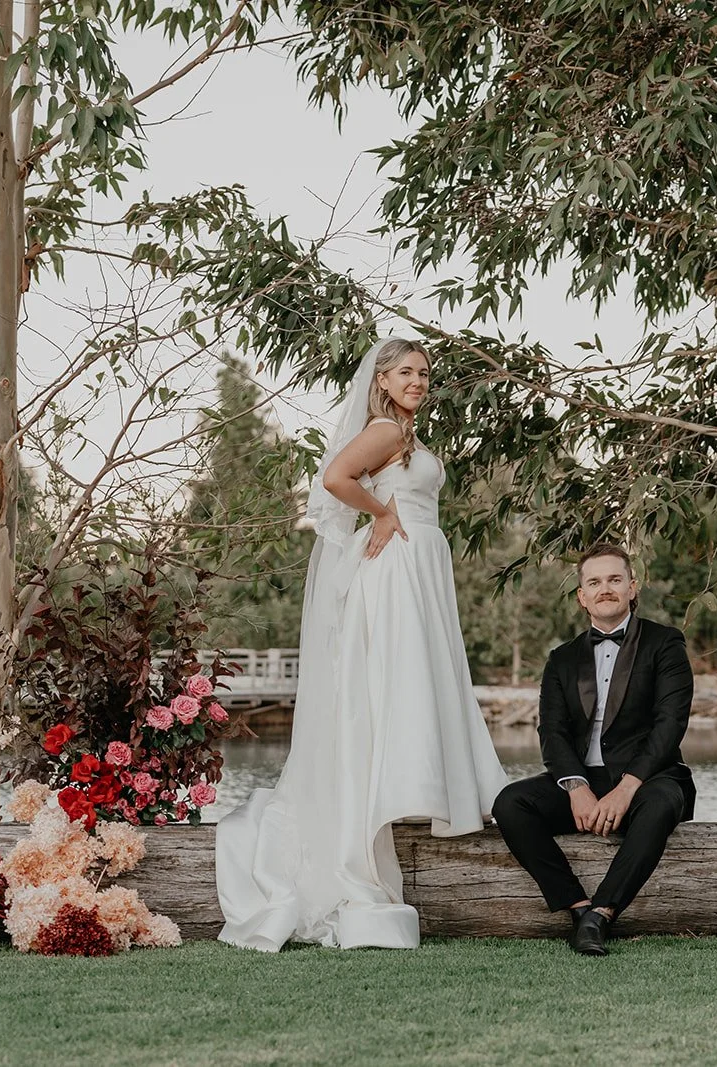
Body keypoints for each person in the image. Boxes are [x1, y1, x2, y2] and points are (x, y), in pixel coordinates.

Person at [215, 337, 508, 951]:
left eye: (425, 373)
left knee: (408, 684)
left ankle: (409, 790)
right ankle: (382, 805)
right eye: (406, 371)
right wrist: (380, 513)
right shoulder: (386, 431)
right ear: (381, 379)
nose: (419, 380)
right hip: (396, 569)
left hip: (419, 565)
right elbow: (334, 478)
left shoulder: (408, 435)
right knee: (389, 683)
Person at [492, 544, 695, 956]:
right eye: (595, 582)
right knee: (510, 803)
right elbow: (552, 730)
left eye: (615, 579)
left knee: (658, 806)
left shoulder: (665, 643)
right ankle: (577, 906)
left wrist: (626, 788)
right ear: (582, 595)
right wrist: (575, 786)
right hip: (583, 777)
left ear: (632, 587)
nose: (606, 589)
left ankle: (602, 914)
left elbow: (669, 723)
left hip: (649, 777)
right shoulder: (561, 659)